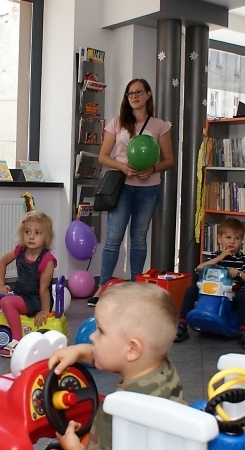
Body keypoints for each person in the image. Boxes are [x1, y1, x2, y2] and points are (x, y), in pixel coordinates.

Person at [49, 282, 185, 450]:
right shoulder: (163, 368)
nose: (92, 336)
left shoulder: (117, 412)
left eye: (101, 331)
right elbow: (116, 357)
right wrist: (80, 352)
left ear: (133, 349)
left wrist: (72, 447)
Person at [88, 78, 175, 307]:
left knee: (138, 238)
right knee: (114, 238)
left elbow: (169, 160)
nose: (134, 96)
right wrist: (123, 166)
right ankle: (103, 286)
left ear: (148, 94)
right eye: (130, 93)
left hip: (148, 189)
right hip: (122, 187)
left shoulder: (159, 125)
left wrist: (152, 168)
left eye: (138, 92)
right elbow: (103, 156)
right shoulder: (117, 123)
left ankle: (137, 285)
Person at [174, 218, 245, 349]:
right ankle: (182, 325)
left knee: (244, 295)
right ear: (219, 239)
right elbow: (198, 269)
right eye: (228, 237)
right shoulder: (215, 256)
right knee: (191, 290)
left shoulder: (243, 260)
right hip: (210, 292)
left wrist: (240, 273)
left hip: (231, 294)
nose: (232, 241)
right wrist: (219, 258)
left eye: (236, 238)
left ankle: (243, 331)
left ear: (241, 241)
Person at [0, 211, 57, 357]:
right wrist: (0, 285)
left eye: (37, 233)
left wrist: (44, 310)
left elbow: (44, 289)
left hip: (35, 299)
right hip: (20, 292)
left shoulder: (47, 260)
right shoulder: (20, 250)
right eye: (27, 232)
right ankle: (11, 316)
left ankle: (17, 340)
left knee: (6, 302)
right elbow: (2, 263)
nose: (31, 236)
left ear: (46, 238)